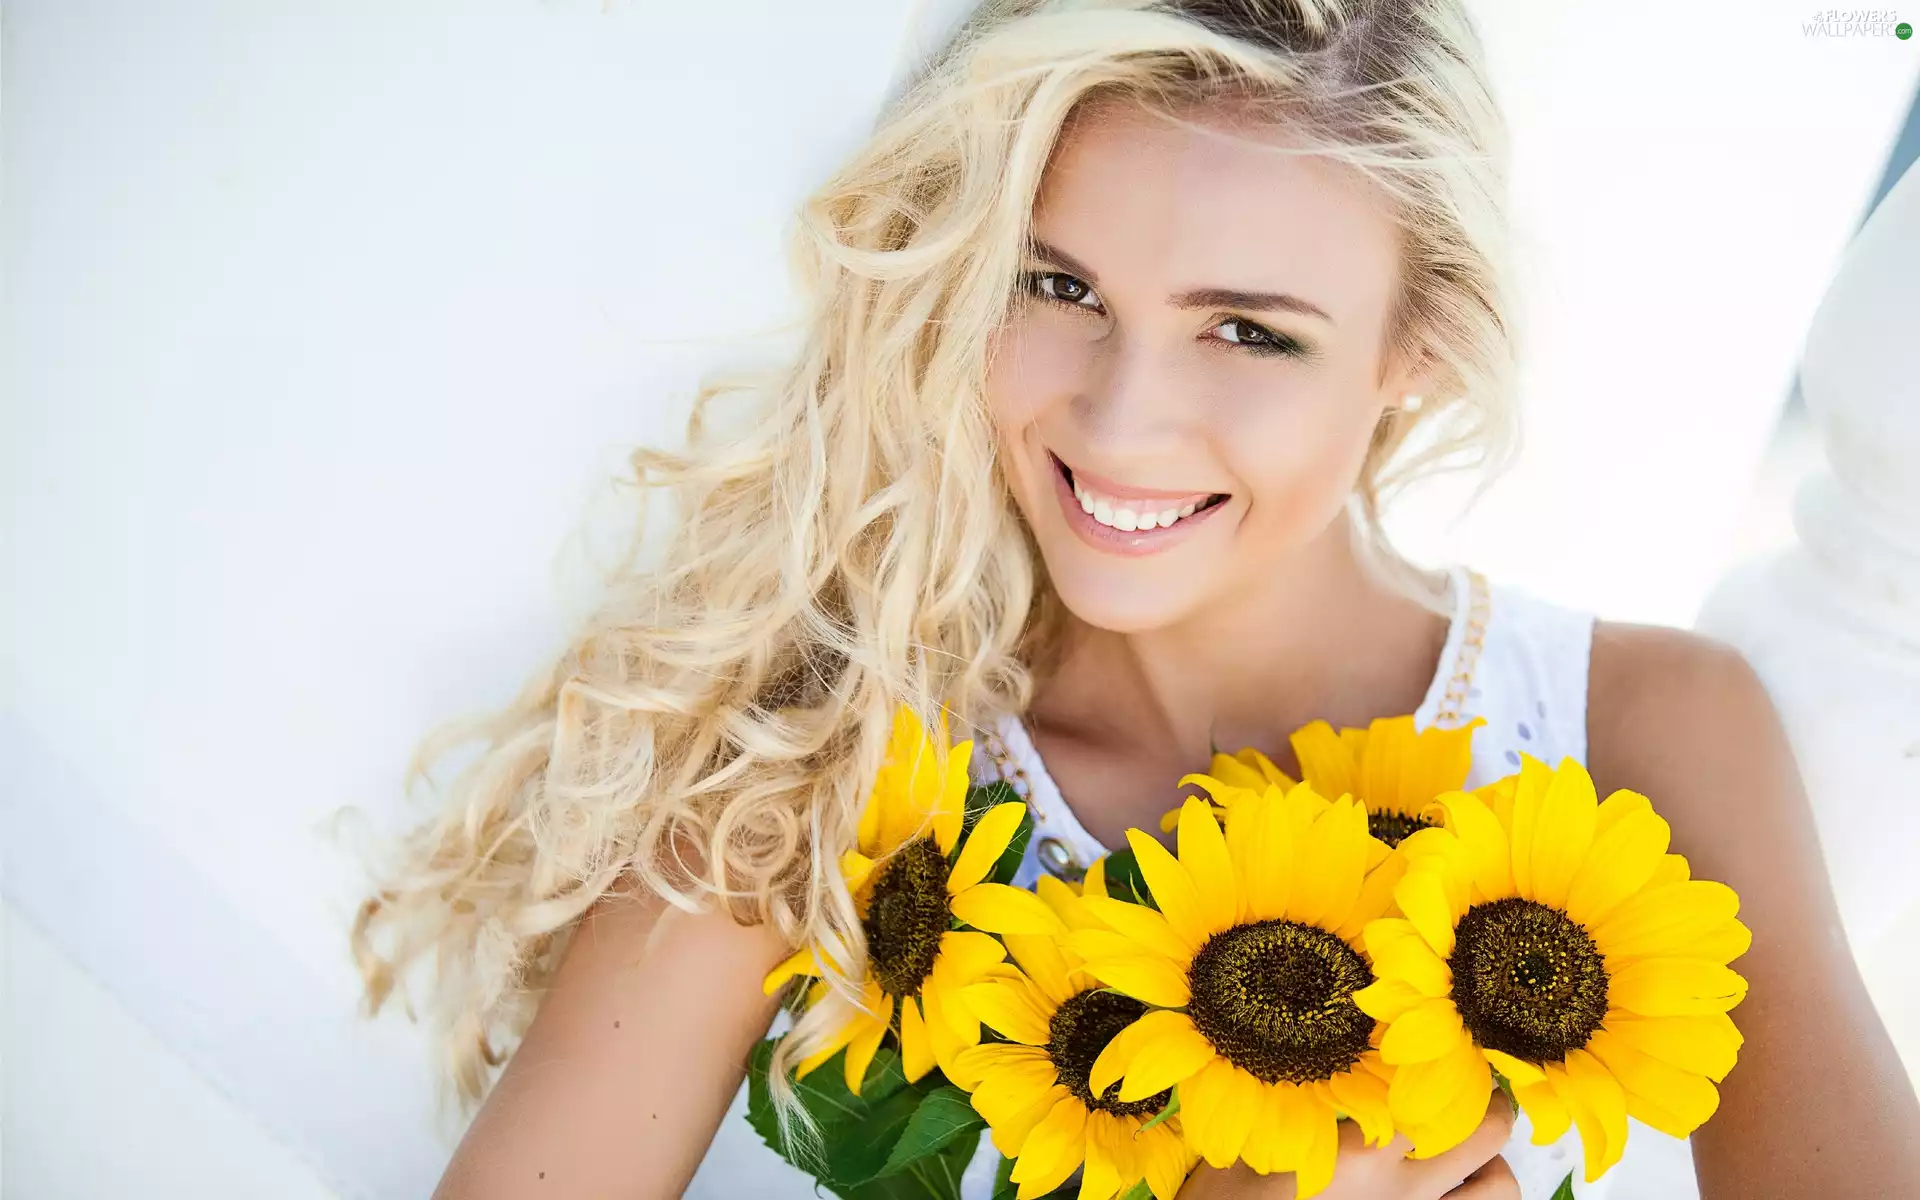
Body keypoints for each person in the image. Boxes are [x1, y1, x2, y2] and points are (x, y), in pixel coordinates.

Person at [350, 1, 1920, 1196]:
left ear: (1413, 350)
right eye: (1056, 289)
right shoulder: (807, 777)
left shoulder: (1645, 735)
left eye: (1247, 332)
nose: (1115, 422)